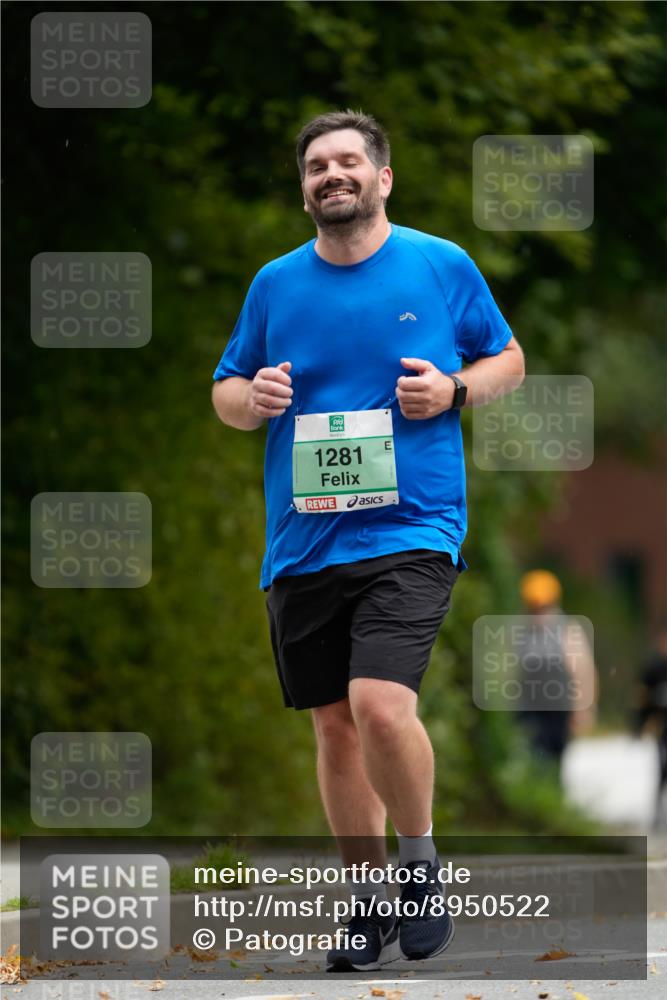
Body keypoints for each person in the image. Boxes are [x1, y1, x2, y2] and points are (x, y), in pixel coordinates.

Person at [211, 109, 524, 971]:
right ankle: (366, 901)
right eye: (317, 166)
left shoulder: (438, 263)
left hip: (412, 524)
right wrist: (253, 400)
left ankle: (418, 866)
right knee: (334, 727)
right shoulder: (275, 284)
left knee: (378, 704)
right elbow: (226, 391)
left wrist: (453, 392)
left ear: (382, 178)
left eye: (348, 161)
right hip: (304, 538)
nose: (332, 174)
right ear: (304, 188)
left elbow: (507, 360)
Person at [515, 570, 597, 767]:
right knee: (531, 755)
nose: (538, 614)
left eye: (542, 607)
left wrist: (583, 709)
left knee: (553, 757)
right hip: (529, 708)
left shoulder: (567, 629)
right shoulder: (522, 630)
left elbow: (583, 671)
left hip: (558, 708)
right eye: (533, 608)